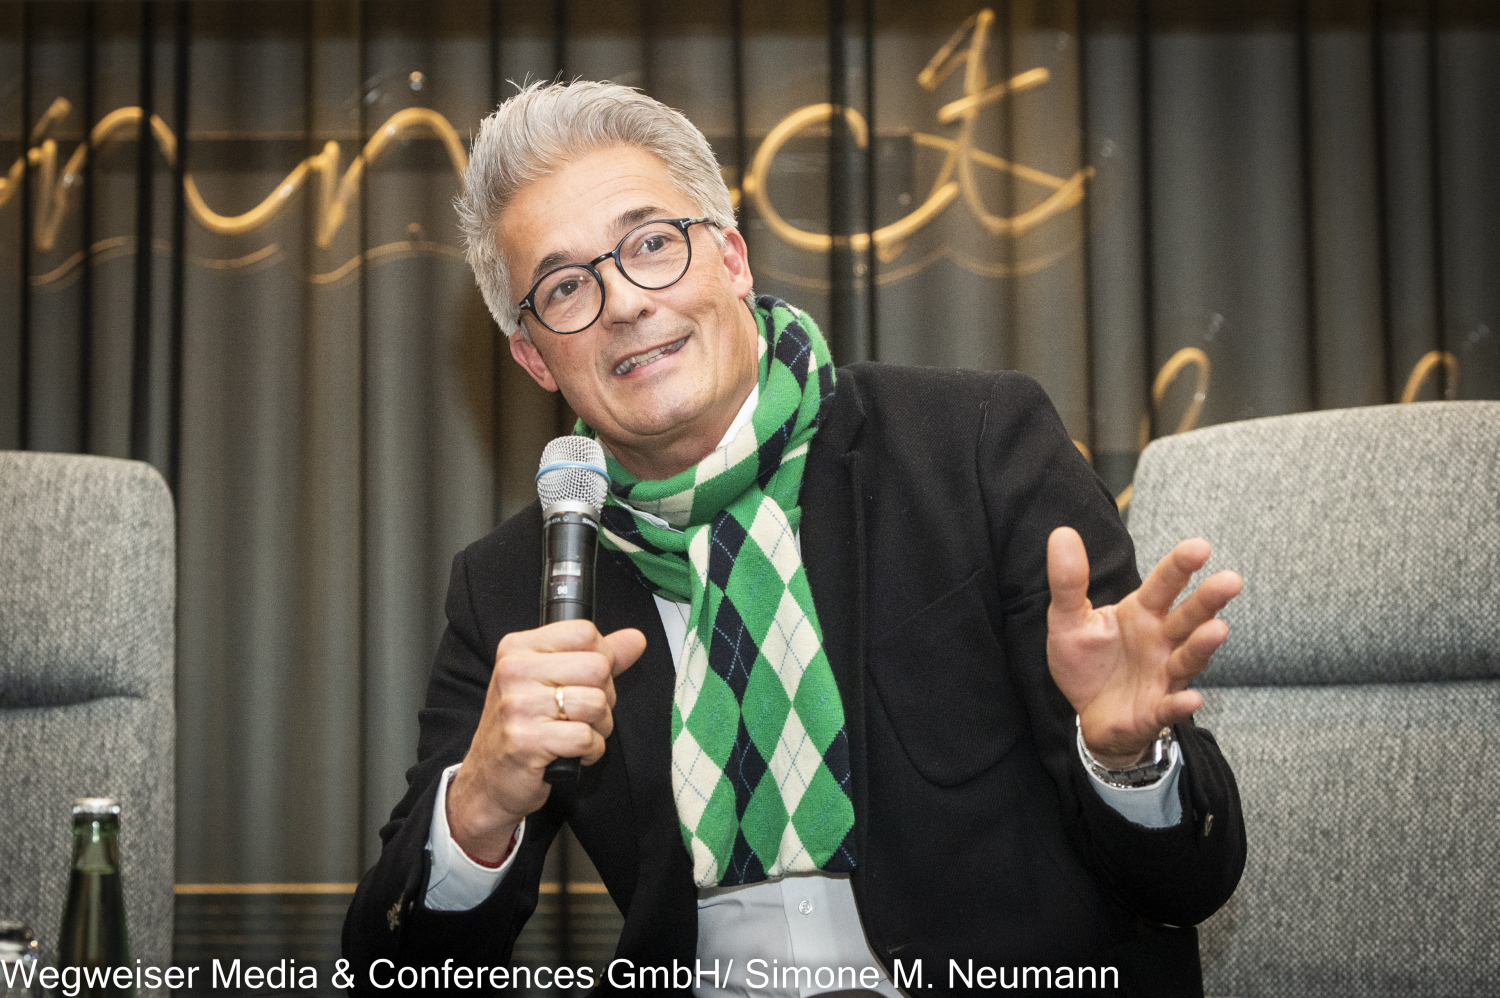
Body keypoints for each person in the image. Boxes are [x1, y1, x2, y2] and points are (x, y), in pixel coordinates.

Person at [342, 80, 1245, 997]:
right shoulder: (513, 584)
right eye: (566, 285)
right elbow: (391, 969)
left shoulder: (974, 445)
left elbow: (1188, 883)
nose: (622, 303)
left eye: (651, 244)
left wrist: (1125, 759)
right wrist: (481, 801)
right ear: (536, 357)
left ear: (731, 259)